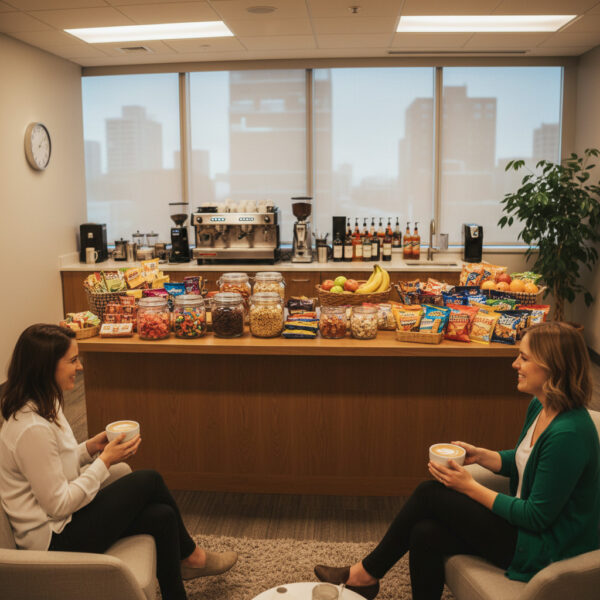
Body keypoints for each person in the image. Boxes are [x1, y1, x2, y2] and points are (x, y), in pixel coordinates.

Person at [314, 321, 600, 600]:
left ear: (553, 367)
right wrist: (484, 456)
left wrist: (469, 486)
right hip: (524, 530)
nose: (515, 364)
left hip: (543, 546)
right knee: (424, 533)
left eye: (524, 358)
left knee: (429, 493)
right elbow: (529, 462)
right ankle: (366, 576)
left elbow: (536, 517)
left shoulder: (569, 434)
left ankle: (365, 575)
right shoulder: (541, 404)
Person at [0, 324, 238, 600]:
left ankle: (181, 585)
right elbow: (58, 505)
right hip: (52, 539)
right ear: (45, 367)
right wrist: (104, 462)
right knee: (149, 480)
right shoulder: (31, 428)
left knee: (163, 516)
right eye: (73, 361)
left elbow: (53, 467)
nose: (80, 367)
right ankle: (193, 558)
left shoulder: (45, 404)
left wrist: (90, 449)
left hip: (62, 521)